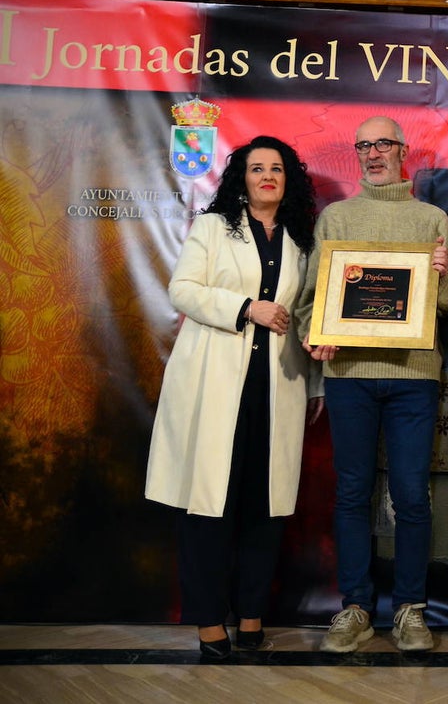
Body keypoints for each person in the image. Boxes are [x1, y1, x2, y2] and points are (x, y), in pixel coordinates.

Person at [145, 135, 323, 659]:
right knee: (208, 508)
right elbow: (183, 289)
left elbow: (309, 314)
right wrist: (247, 307)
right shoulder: (213, 227)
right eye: (256, 168)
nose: (267, 176)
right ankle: (208, 621)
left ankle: (251, 615)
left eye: (277, 169)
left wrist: (315, 384)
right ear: (241, 178)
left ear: (289, 180)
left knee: (264, 509)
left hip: (279, 388)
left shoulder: (301, 240)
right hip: (214, 388)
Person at [295, 116, 448, 653]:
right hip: (349, 376)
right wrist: (314, 334)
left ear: (402, 150)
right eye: (363, 145)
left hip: (414, 374)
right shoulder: (336, 218)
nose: (372, 153)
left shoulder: (432, 219)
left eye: (382, 143)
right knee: (351, 493)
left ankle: (411, 609)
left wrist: (442, 274)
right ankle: (356, 607)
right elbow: (310, 299)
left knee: (412, 494)